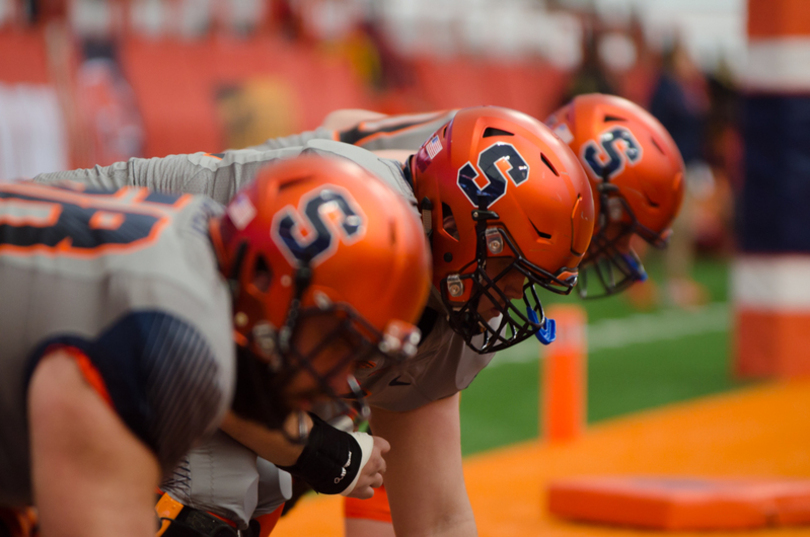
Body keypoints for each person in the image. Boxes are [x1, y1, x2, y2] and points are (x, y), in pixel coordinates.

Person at [34, 106, 595, 537]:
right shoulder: (357, 228)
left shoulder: (436, 288)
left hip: (173, 316)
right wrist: (322, 452)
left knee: (273, 479)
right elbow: (203, 364)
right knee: (221, 488)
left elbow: (438, 517)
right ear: (460, 228)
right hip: (80, 268)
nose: (516, 296)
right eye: (513, 271)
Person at [3, 154, 431, 537]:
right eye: (339, 344)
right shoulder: (171, 330)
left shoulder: (201, 234)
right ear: (277, 290)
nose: (343, 375)